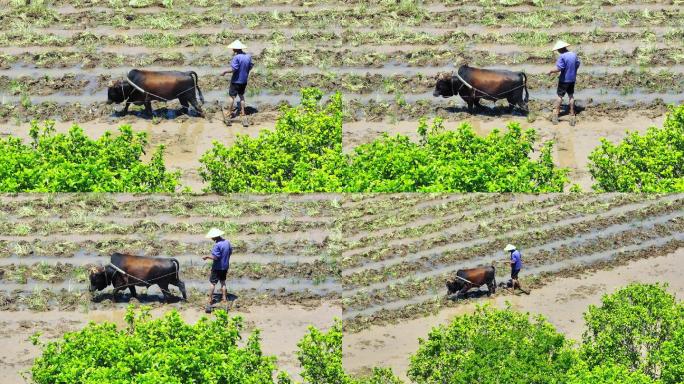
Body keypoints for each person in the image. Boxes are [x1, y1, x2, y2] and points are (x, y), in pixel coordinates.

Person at [221, 39, 253, 127]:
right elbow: (251, 66)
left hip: (236, 81)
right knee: (241, 96)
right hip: (244, 80)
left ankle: (229, 113)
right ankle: (243, 112)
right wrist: (245, 72)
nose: (232, 49)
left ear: (236, 49)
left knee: (232, 97)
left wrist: (224, 72)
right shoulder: (248, 56)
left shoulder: (236, 57)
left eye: (233, 48)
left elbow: (233, 69)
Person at [548, 40, 580, 126]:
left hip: (564, 80)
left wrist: (551, 71)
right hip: (572, 79)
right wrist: (573, 72)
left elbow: (559, 68)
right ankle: (572, 113)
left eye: (558, 50)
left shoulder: (562, 56)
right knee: (571, 96)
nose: (558, 51)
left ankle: (556, 114)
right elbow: (577, 64)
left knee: (560, 96)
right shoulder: (574, 55)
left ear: (560, 49)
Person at [203, 227, 232, 313]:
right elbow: (230, 252)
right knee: (223, 282)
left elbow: (215, 257)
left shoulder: (217, 245)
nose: (211, 238)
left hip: (217, 268)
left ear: (215, 237)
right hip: (225, 266)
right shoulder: (227, 242)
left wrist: (207, 257)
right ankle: (224, 299)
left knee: (213, 283)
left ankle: (210, 299)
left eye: (212, 237)